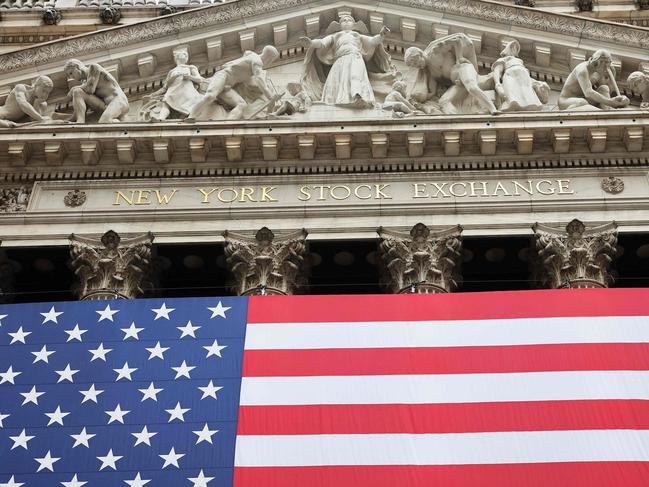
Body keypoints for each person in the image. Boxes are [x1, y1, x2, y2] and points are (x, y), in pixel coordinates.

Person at [300, 14, 394, 108]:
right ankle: (335, 99)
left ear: (354, 25)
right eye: (343, 20)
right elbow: (322, 43)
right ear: (340, 25)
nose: (346, 21)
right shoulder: (336, 36)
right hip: (340, 60)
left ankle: (358, 95)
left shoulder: (357, 35)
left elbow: (372, 41)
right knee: (337, 80)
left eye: (349, 20)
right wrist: (311, 43)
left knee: (356, 76)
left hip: (355, 57)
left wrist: (382, 35)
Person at [404, 33, 498, 115]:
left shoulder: (435, 50)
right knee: (444, 102)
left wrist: (459, 57)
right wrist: (417, 101)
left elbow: (457, 40)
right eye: (414, 66)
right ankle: (459, 124)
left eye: (416, 62)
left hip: (462, 69)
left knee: (472, 88)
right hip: (457, 83)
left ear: (420, 54)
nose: (418, 66)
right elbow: (432, 92)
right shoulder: (429, 72)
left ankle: (492, 109)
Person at [188, 45, 279, 121]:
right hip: (223, 77)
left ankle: (227, 124)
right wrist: (271, 96)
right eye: (271, 60)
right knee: (210, 96)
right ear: (269, 57)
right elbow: (260, 81)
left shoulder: (250, 55)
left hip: (228, 87)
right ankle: (191, 116)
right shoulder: (257, 61)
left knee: (242, 105)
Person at [142, 48, 205, 121]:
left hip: (186, 91)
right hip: (172, 91)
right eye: (183, 54)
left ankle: (190, 117)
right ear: (177, 57)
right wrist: (152, 95)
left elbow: (200, 79)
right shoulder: (172, 71)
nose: (185, 55)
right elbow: (164, 88)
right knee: (166, 105)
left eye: (186, 55)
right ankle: (160, 119)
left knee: (189, 105)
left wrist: (189, 77)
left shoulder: (190, 67)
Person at [558, 49, 629, 111]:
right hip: (567, 101)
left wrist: (620, 100)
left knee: (604, 88)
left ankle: (606, 114)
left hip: (585, 99)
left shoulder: (599, 70)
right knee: (582, 103)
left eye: (608, 64)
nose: (606, 69)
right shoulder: (582, 70)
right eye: (604, 65)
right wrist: (610, 102)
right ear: (595, 63)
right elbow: (588, 93)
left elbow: (606, 91)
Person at [64, 59, 130, 123]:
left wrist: (73, 89)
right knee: (77, 92)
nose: (72, 77)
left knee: (104, 121)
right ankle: (80, 122)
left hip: (118, 100)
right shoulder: (84, 84)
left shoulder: (93, 67)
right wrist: (67, 120)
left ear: (77, 67)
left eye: (71, 73)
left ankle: (124, 127)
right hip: (105, 106)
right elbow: (80, 109)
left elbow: (90, 88)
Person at [492, 40, 549, 112]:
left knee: (526, 93)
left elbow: (528, 78)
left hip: (524, 80)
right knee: (512, 95)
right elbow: (497, 71)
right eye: (512, 47)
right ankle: (512, 105)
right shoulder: (504, 59)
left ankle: (529, 104)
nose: (514, 49)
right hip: (511, 77)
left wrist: (538, 84)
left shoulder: (520, 62)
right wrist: (498, 84)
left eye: (516, 48)